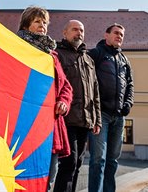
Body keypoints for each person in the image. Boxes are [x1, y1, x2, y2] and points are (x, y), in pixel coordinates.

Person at [15, 7, 72, 191]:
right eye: (37, 21)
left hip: (49, 124)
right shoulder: (15, 47)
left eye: (45, 22)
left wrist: (63, 101)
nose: (42, 26)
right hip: (24, 123)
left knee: (49, 175)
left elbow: (65, 86)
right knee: (22, 175)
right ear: (26, 24)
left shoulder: (52, 56)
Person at [53, 20, 101, 192]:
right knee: (69, 163)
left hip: (85, 121)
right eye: (74, 29)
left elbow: (95, 91)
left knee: (78, 164)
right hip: (66, 119)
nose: (79, 33)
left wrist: (97, 120)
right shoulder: (57, 54)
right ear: (64, 32)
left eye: (81, 30)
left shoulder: (88, 59)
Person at [87, 23, 134, 192]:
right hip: (101, 115)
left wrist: (128, 103)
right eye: (116, 33)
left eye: (122, 34)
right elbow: (86, 81)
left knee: (113, 160)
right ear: (106, 35)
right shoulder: (96, 54)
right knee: (98, 159)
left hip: (119, 116)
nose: (119, 36)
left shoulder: (124, 60)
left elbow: (130, 85)